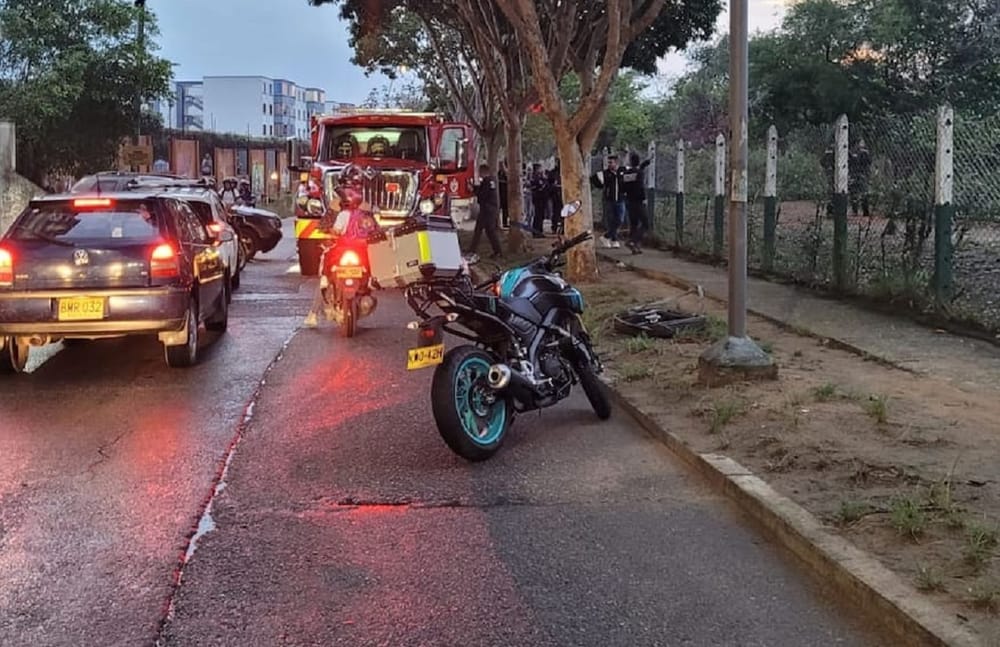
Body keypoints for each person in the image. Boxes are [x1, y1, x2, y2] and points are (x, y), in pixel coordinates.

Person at [468, 163, 503, 259]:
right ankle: (497, 251)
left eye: (479, 172)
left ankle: (472, 250)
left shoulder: (487, 181)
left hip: (487, 210)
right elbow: (482, 190)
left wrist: (473, 191)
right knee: (489, 231)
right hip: (490, 209)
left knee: (480, 230)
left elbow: (482, 195)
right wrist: (474, 187)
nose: (479, 174)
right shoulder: (490, 181)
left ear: (483, 172)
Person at [590, 154, 625, 248]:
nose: (609, 164)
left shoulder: (623, 171)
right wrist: (601, 186)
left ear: (616, 163)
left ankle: (606, 236)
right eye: (608, 162)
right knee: (611, 220)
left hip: (620, 199)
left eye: (611, 162)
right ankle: (614, 239)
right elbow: (593, 179)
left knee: (620, 219)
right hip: (609, 200)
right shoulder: (605, 173)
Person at [621, 152, 651, 254]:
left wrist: (644, 164)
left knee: (634, 223)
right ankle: (633, 241)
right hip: (638, 201)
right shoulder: (639, 173)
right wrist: (644, 199)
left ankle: (634, 246)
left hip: (629, 201)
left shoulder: (626, 174)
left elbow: (625, 185)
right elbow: (640, 185)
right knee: (646, 223)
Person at [849, 139, 872, 218]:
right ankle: (856, 210)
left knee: (863, 193)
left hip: (862, 174)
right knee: (855, 192)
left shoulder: (864, 152)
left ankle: (865, 211)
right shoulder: (852, 152)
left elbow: (868, 162)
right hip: (855, 174)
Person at [529, 163, 548, 238]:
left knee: (541, 216)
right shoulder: (535, 177)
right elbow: (537, 186)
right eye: (540, 168)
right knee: (537, 216)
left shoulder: (541, 177)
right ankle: (536, 232)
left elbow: (545, 183)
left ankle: (540, 231)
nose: (541, 170)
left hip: (542, 199)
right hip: (538, 199)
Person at [547, 161, 563, 235]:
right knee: (555, 213)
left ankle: (563, 228)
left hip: (563, 195)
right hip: (555, 196)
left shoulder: (565, 171)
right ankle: (554, 227)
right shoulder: (553, 173)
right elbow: (549, 184)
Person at [497, 161, 509, 229]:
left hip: (505, 194)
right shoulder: (498, 174)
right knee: (498, 209)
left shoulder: (506, 174)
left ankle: (505, 223)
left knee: (505, 210)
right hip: (499, 194)